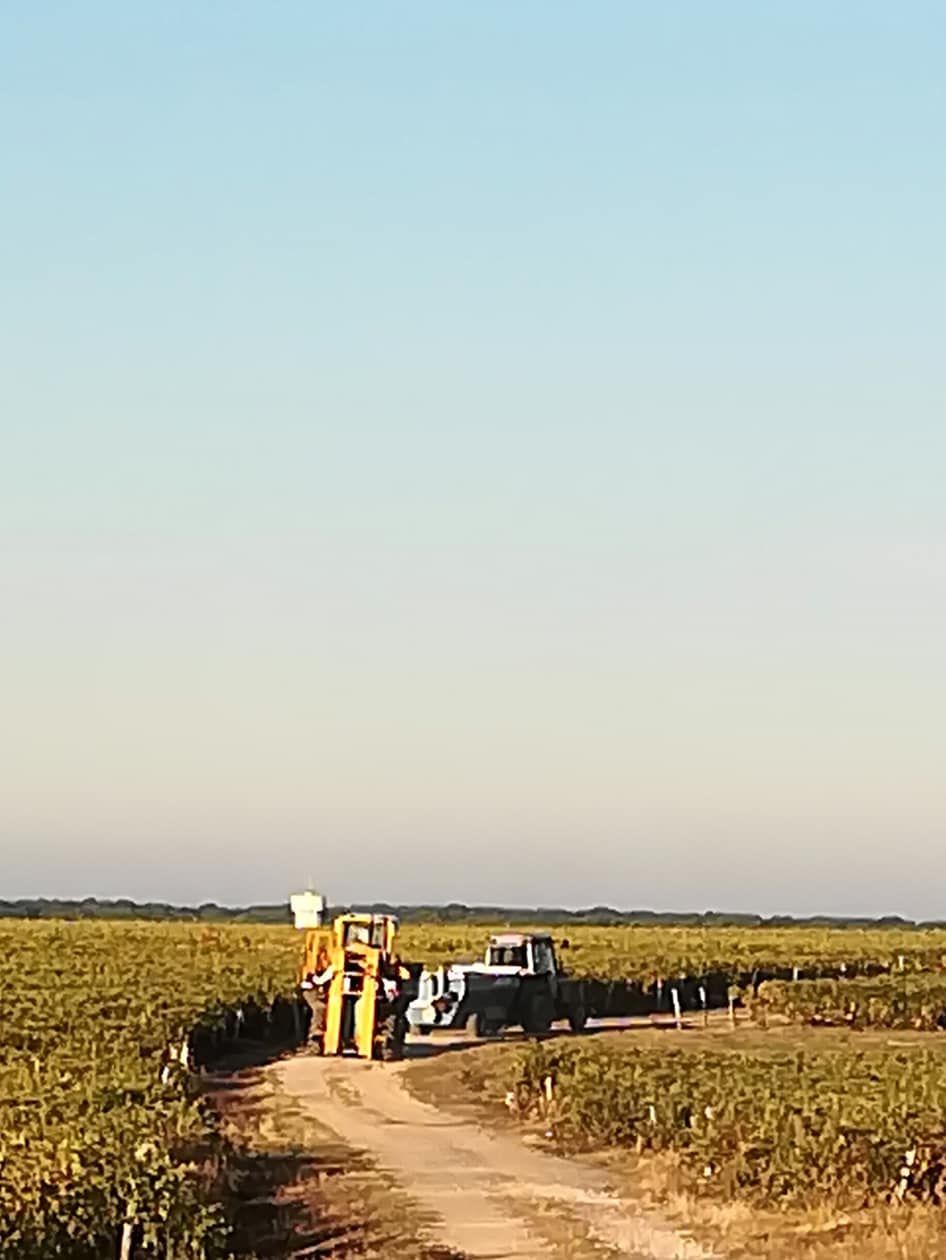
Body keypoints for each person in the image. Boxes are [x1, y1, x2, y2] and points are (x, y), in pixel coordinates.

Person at [300, 943, 334, 1051]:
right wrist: (332, 971)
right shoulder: (312, 968)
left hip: (315, 990)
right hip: (310, 991)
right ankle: (314, 1035)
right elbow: (319, 981)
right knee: (319, 1008)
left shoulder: (323, 967)